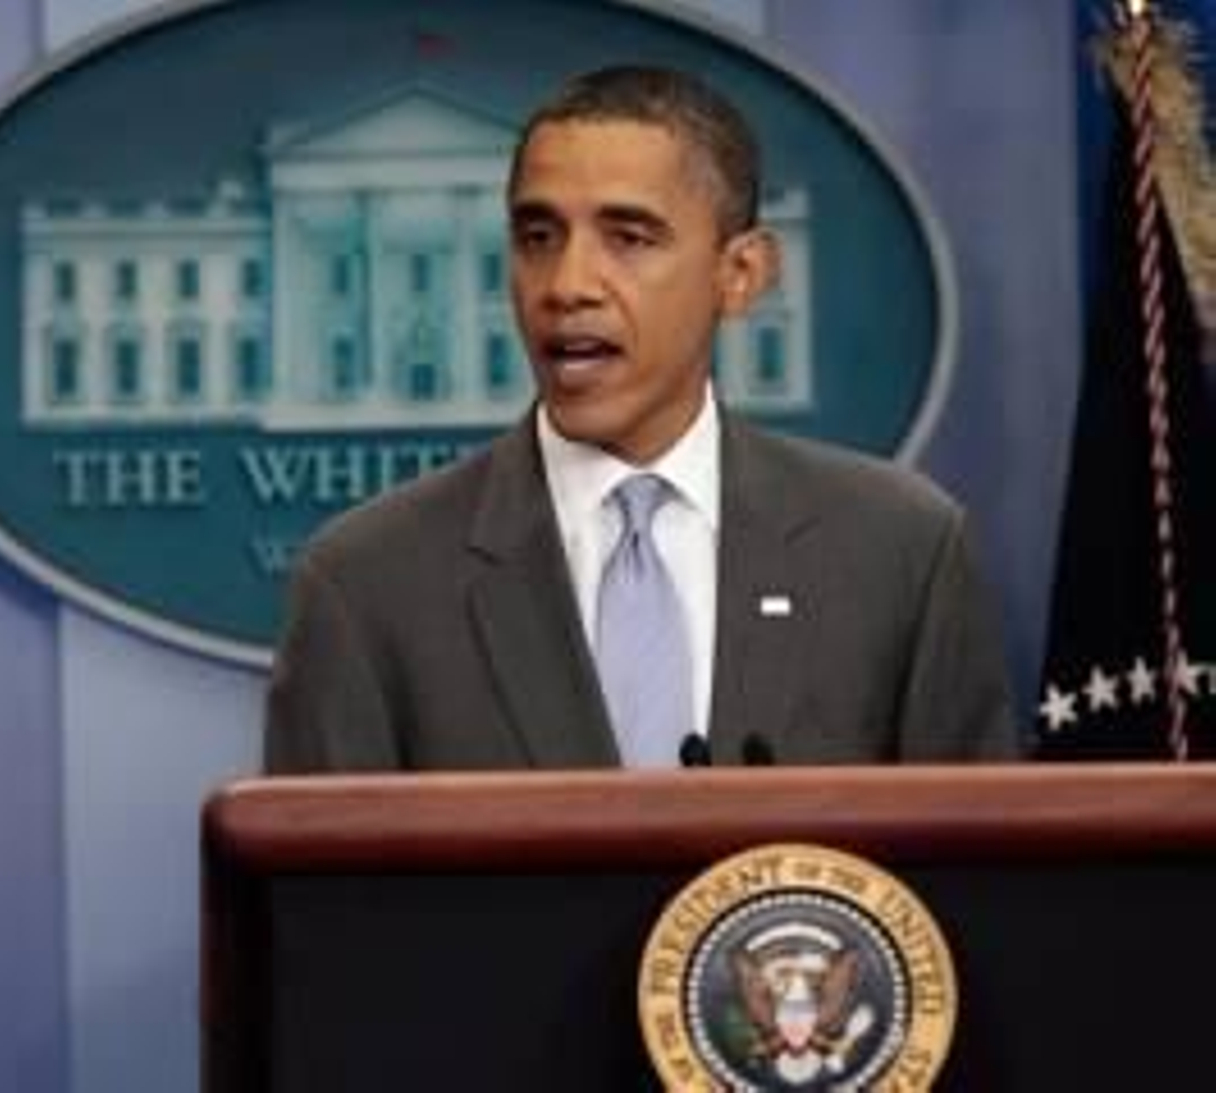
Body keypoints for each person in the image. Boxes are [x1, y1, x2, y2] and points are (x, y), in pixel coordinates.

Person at [264, 65, 1018, 772]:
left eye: (628, 238)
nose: (567, 285)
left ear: (741, 274)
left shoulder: (898, 553)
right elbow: (323, 908)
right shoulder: (369, 583)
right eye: (538, 237)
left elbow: (973, 892)